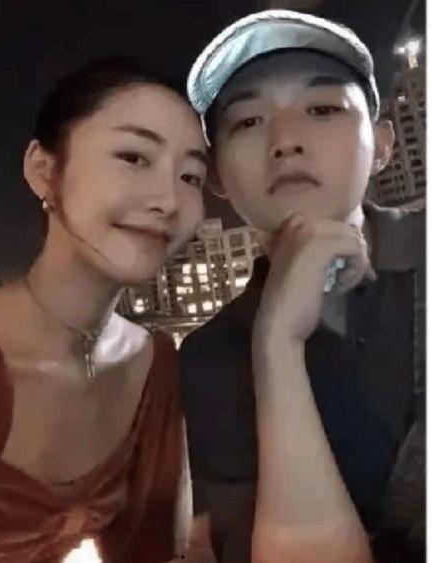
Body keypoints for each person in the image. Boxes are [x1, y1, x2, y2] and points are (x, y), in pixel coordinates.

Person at [0, 57, 209, 562]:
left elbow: (158, 550)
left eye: (191, 176)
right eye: (134, 157)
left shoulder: (154, 367)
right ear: (44, 171)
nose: (169, 200)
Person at [180, 10, 424, 563]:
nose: (286, 140)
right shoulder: (209, 357)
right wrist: (276, 344)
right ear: (217, 176)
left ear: (382, 143)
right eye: (248, 121)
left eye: (322, 109)